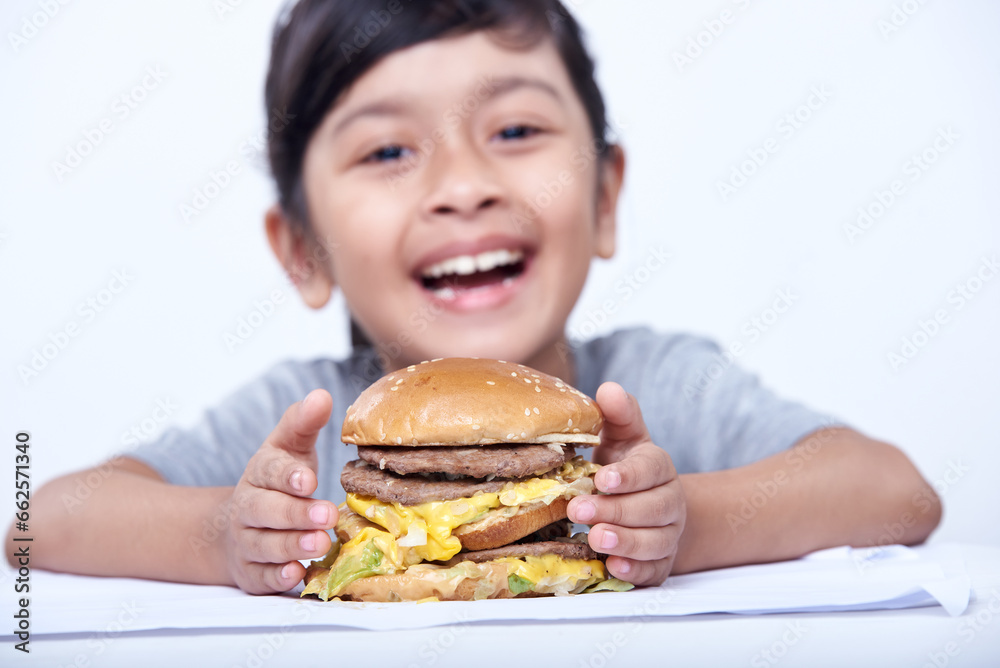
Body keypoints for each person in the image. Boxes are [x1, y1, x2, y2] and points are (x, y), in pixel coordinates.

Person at [9, 0, 940, 594]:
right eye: (387, 151)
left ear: (605, 197)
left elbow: (896, 491)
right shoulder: (308, 424)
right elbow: (36, 520)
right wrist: (223, 536)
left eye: (518, 127)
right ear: (302, 251)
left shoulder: (660, 385)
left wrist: (684, 523)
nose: (463, 184)